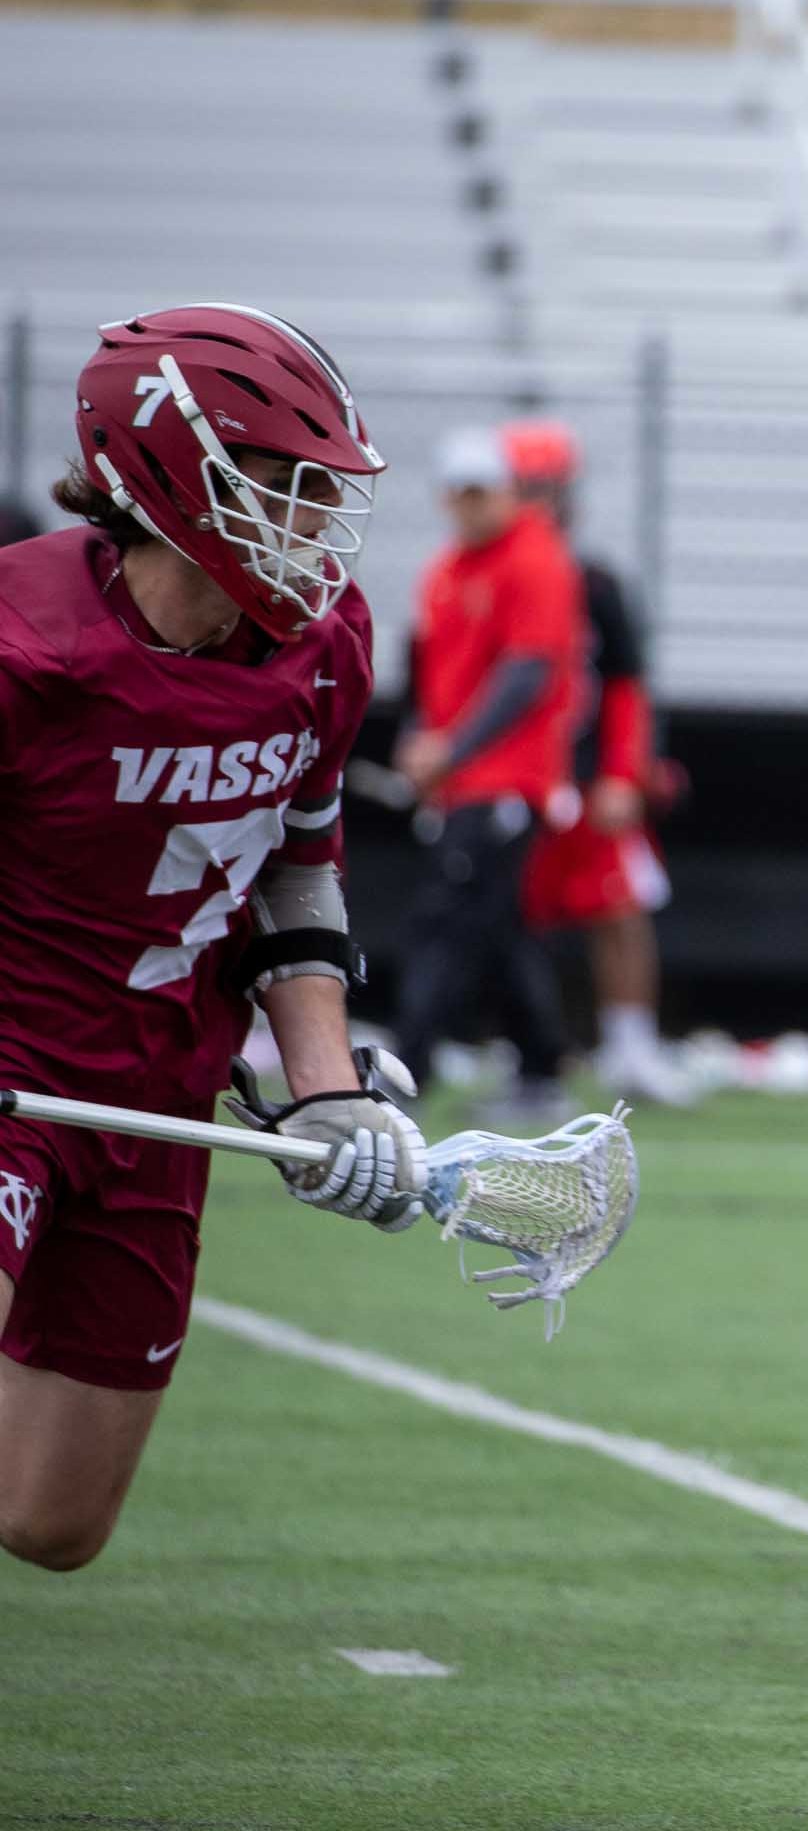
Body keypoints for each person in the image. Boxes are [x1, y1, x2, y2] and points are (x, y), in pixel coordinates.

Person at [0, 305, 429, 1571]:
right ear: (177, 480)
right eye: (289, 486)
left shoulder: (323, 646)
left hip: (153, 1095)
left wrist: (325, 1090)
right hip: (12, 1074)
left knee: (51, 1517)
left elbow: (297, 865)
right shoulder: (26, 650)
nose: (316, 522)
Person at [496, 419, 694, 1107]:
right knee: (508, 917)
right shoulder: (484, 576)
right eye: (525, 488)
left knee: (620, 909)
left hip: (582, 774)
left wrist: (622, 771)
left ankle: (631, 1046)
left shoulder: (594, 582)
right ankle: (528, 1052)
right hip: (516, 779)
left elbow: (626, 685)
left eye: (545, 488)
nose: (536, 502)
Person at [389, 427, 582, 1116]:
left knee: (446, 920)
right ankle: (540, 1070)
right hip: (464, 776)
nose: (472, 506)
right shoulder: (445, 571)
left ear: (507, 490)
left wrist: (451, 748)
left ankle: (404, 1069)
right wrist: (419, 740)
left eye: (484, 491)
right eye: (461, 493)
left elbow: (528, 671)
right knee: (496, 928)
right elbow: (426, 675)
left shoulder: (535, 557)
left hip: (509, 776)